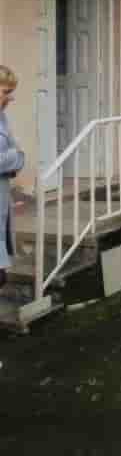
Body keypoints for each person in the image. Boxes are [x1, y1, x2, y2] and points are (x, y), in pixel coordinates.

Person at [0, 67, 24, 289]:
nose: (10, 98)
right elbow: (13, 154)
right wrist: (16, 157)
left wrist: (15, 157)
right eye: (7, 92)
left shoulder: (2, 117)